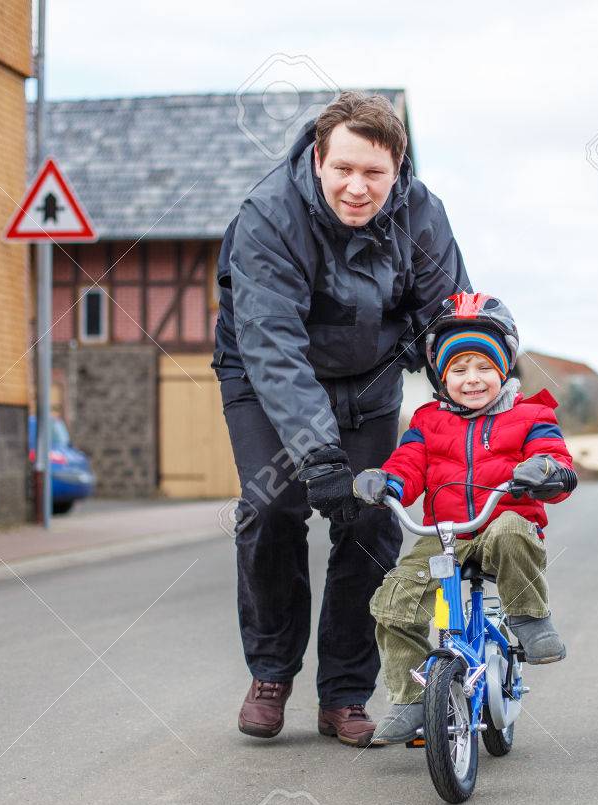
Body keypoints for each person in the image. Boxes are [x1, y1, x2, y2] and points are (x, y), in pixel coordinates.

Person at [214, 91, 470, 747]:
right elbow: (273, 346)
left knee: (369, 517)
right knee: (272, 506)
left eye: (374, 174)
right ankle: (271, 673)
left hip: (370, 382)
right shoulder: (269, 218)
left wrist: (477, 395)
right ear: (319, 159)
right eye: (344, 170)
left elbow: (448, 319)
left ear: (398, 168)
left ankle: (345, 695)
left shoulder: (422, 216)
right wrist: (318, 455)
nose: (357, 188)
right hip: (267, 378)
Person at [351, 293, 578, 745]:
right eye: (458, 369)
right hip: (445, 535)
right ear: (441, 375)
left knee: (514, 530)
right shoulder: (428, 421)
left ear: (503, 370)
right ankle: (410, 699)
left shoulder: (532, 416)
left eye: (483, 368)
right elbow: (408, 464)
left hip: (501, 524)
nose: (471, 379)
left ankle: (529, 617)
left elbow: (556, 460)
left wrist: (546, 471)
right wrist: (387, 483)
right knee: (394, 602)